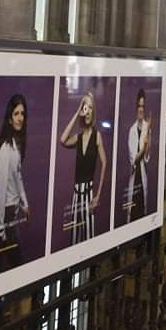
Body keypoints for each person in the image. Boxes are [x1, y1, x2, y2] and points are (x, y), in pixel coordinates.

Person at [59, 90, 108, 243]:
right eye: (85, 107)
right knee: (74, 239)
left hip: (88, 195)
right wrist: (76, 112)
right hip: (76, 197)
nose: (87, 111)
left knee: (88, 240)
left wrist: (98, 195)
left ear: (93, 112)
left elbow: (104, 162)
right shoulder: (78, 138)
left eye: (90, 108)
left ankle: (88, 268)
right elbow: (62, 140)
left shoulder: (97, 136)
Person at [0, 94, 30, 268]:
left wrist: (25, 203)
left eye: (22, 113)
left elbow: (18, 176)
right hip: (6, 217)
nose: (20, 118)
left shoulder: (16, 145)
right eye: (16, 114)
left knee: (0, 267)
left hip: (12, 214)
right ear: (9, 118)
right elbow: (1, 190)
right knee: (17, 264)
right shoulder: (5, 149)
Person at [126, 89, 152, 221]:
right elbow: (135, 160)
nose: (141, 109)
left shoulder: (148, 127)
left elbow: (147, 158)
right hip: (134, 178)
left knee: (143, 212)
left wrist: (148, 143)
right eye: (139, 106)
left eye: (143, 106)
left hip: (143, 178)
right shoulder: (131, 131)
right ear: (136, 108)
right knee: (133, 214)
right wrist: (145, 144)